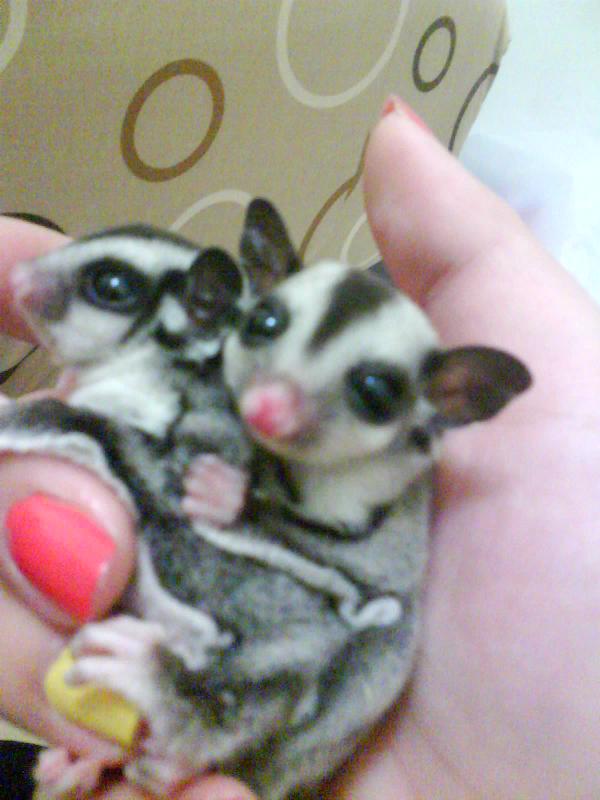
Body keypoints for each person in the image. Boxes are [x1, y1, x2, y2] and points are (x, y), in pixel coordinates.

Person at [1, 99, 598, 800]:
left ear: (449, 402)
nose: (270, 408)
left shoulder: (385, 488)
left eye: (369, 391)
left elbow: (329, 603)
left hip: (294, 685)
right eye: (266, 327)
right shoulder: (222, 401)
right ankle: (127, 737)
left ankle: (186, 721)